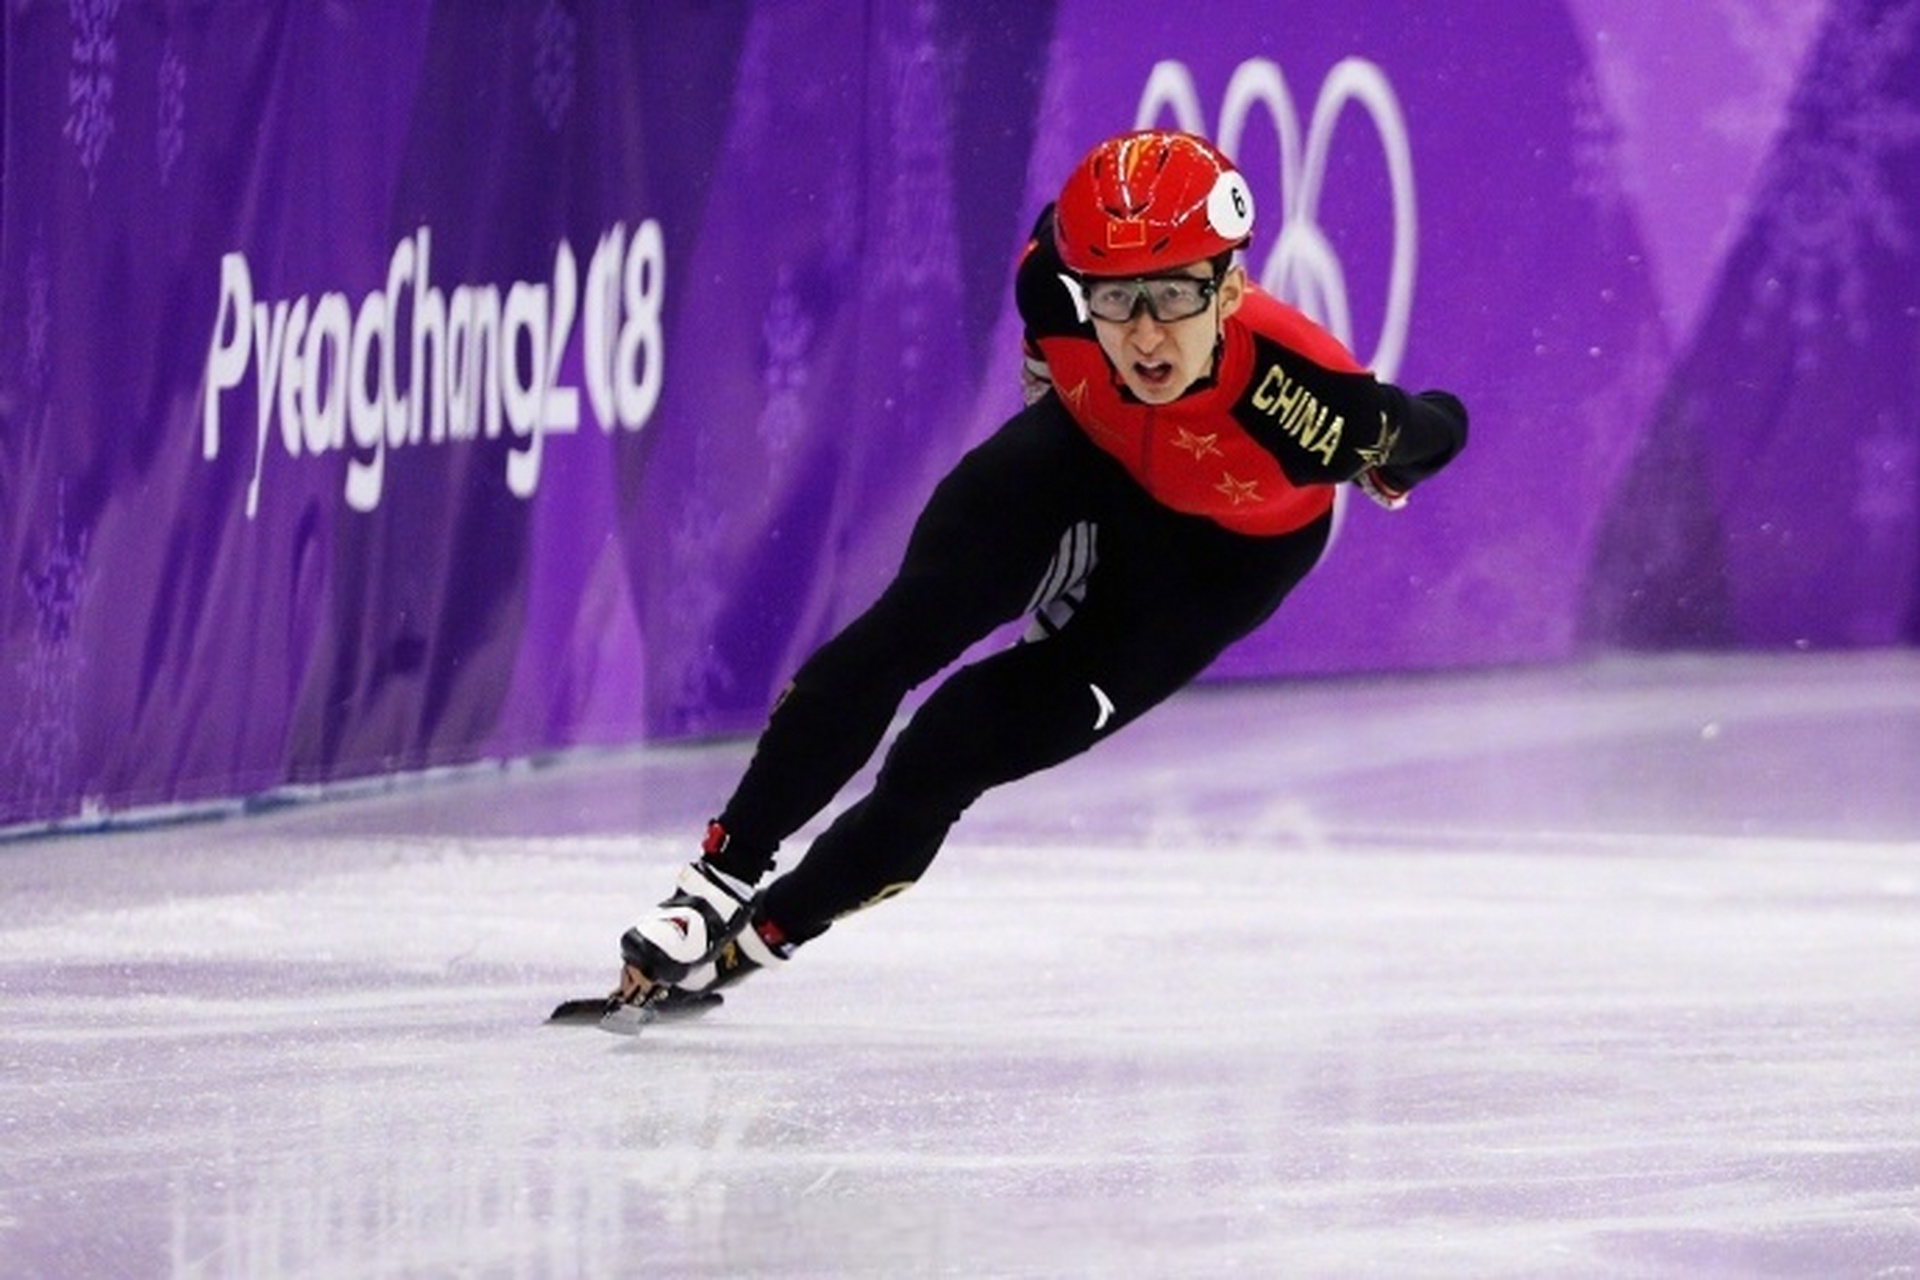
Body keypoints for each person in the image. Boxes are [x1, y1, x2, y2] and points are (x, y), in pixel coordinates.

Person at [602, 128, 1468, 1026]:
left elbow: (1441, 426)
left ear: (1231, 288)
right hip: (1086, 463)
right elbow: (1058, 317)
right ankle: (713, 883)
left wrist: (1392, 457)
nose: (1143, 333)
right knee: (906, 628)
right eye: (1118, 298)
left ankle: (761, 935)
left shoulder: (1309, 403)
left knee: (948, 750)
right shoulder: (1048, 281)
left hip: (1209, 567)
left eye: (1173, 296)